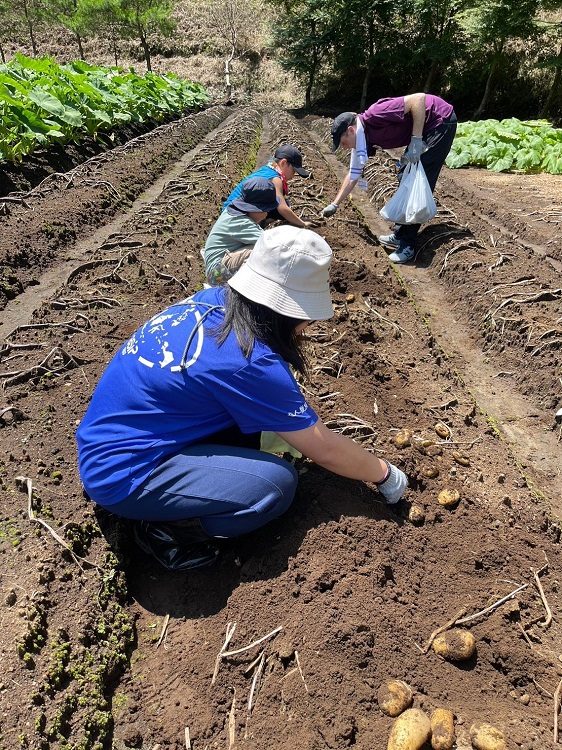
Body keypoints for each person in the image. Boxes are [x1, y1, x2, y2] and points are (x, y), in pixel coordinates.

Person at [76, 226, 408, 572]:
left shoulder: (210, 302)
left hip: (112, 441)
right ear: (289, 312)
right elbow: (323, 447)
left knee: (254, 435)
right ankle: (165, 530)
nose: (307, 326)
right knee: (275, 486)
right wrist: (385, 474)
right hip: (124, 474)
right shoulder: (250, 359)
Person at [322, 93, 457, 263]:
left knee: (416, 180)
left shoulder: (375, 114)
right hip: (427, 127)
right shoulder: (361, 139)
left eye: (343, 143)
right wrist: (335, 204)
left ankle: (408, 245)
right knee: (404, 175)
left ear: (350, 130)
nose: (345, 147)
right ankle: (401, 235)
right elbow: (353, 174)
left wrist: (416, 140)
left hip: (440, 122)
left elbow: (418, 100)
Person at [203, 176, 278, 285]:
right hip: (216, 275)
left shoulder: (234, 211)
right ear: (256, 209)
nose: (267, 214)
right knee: (261, 251)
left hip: (218, 268)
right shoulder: (241, 222)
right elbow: (272, 244)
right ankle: (241, 289)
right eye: (266, 210)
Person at [224, 144, 312, 229]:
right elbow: (282, 208)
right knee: (282, 207)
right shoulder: (276, 179)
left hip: (230, 211)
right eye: (293, 170)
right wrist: (302, 223)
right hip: (235, 216)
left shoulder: (268, 169)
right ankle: (260, 226)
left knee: (280, 204)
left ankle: (265, 222)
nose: (293, 175)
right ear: (283, 163)